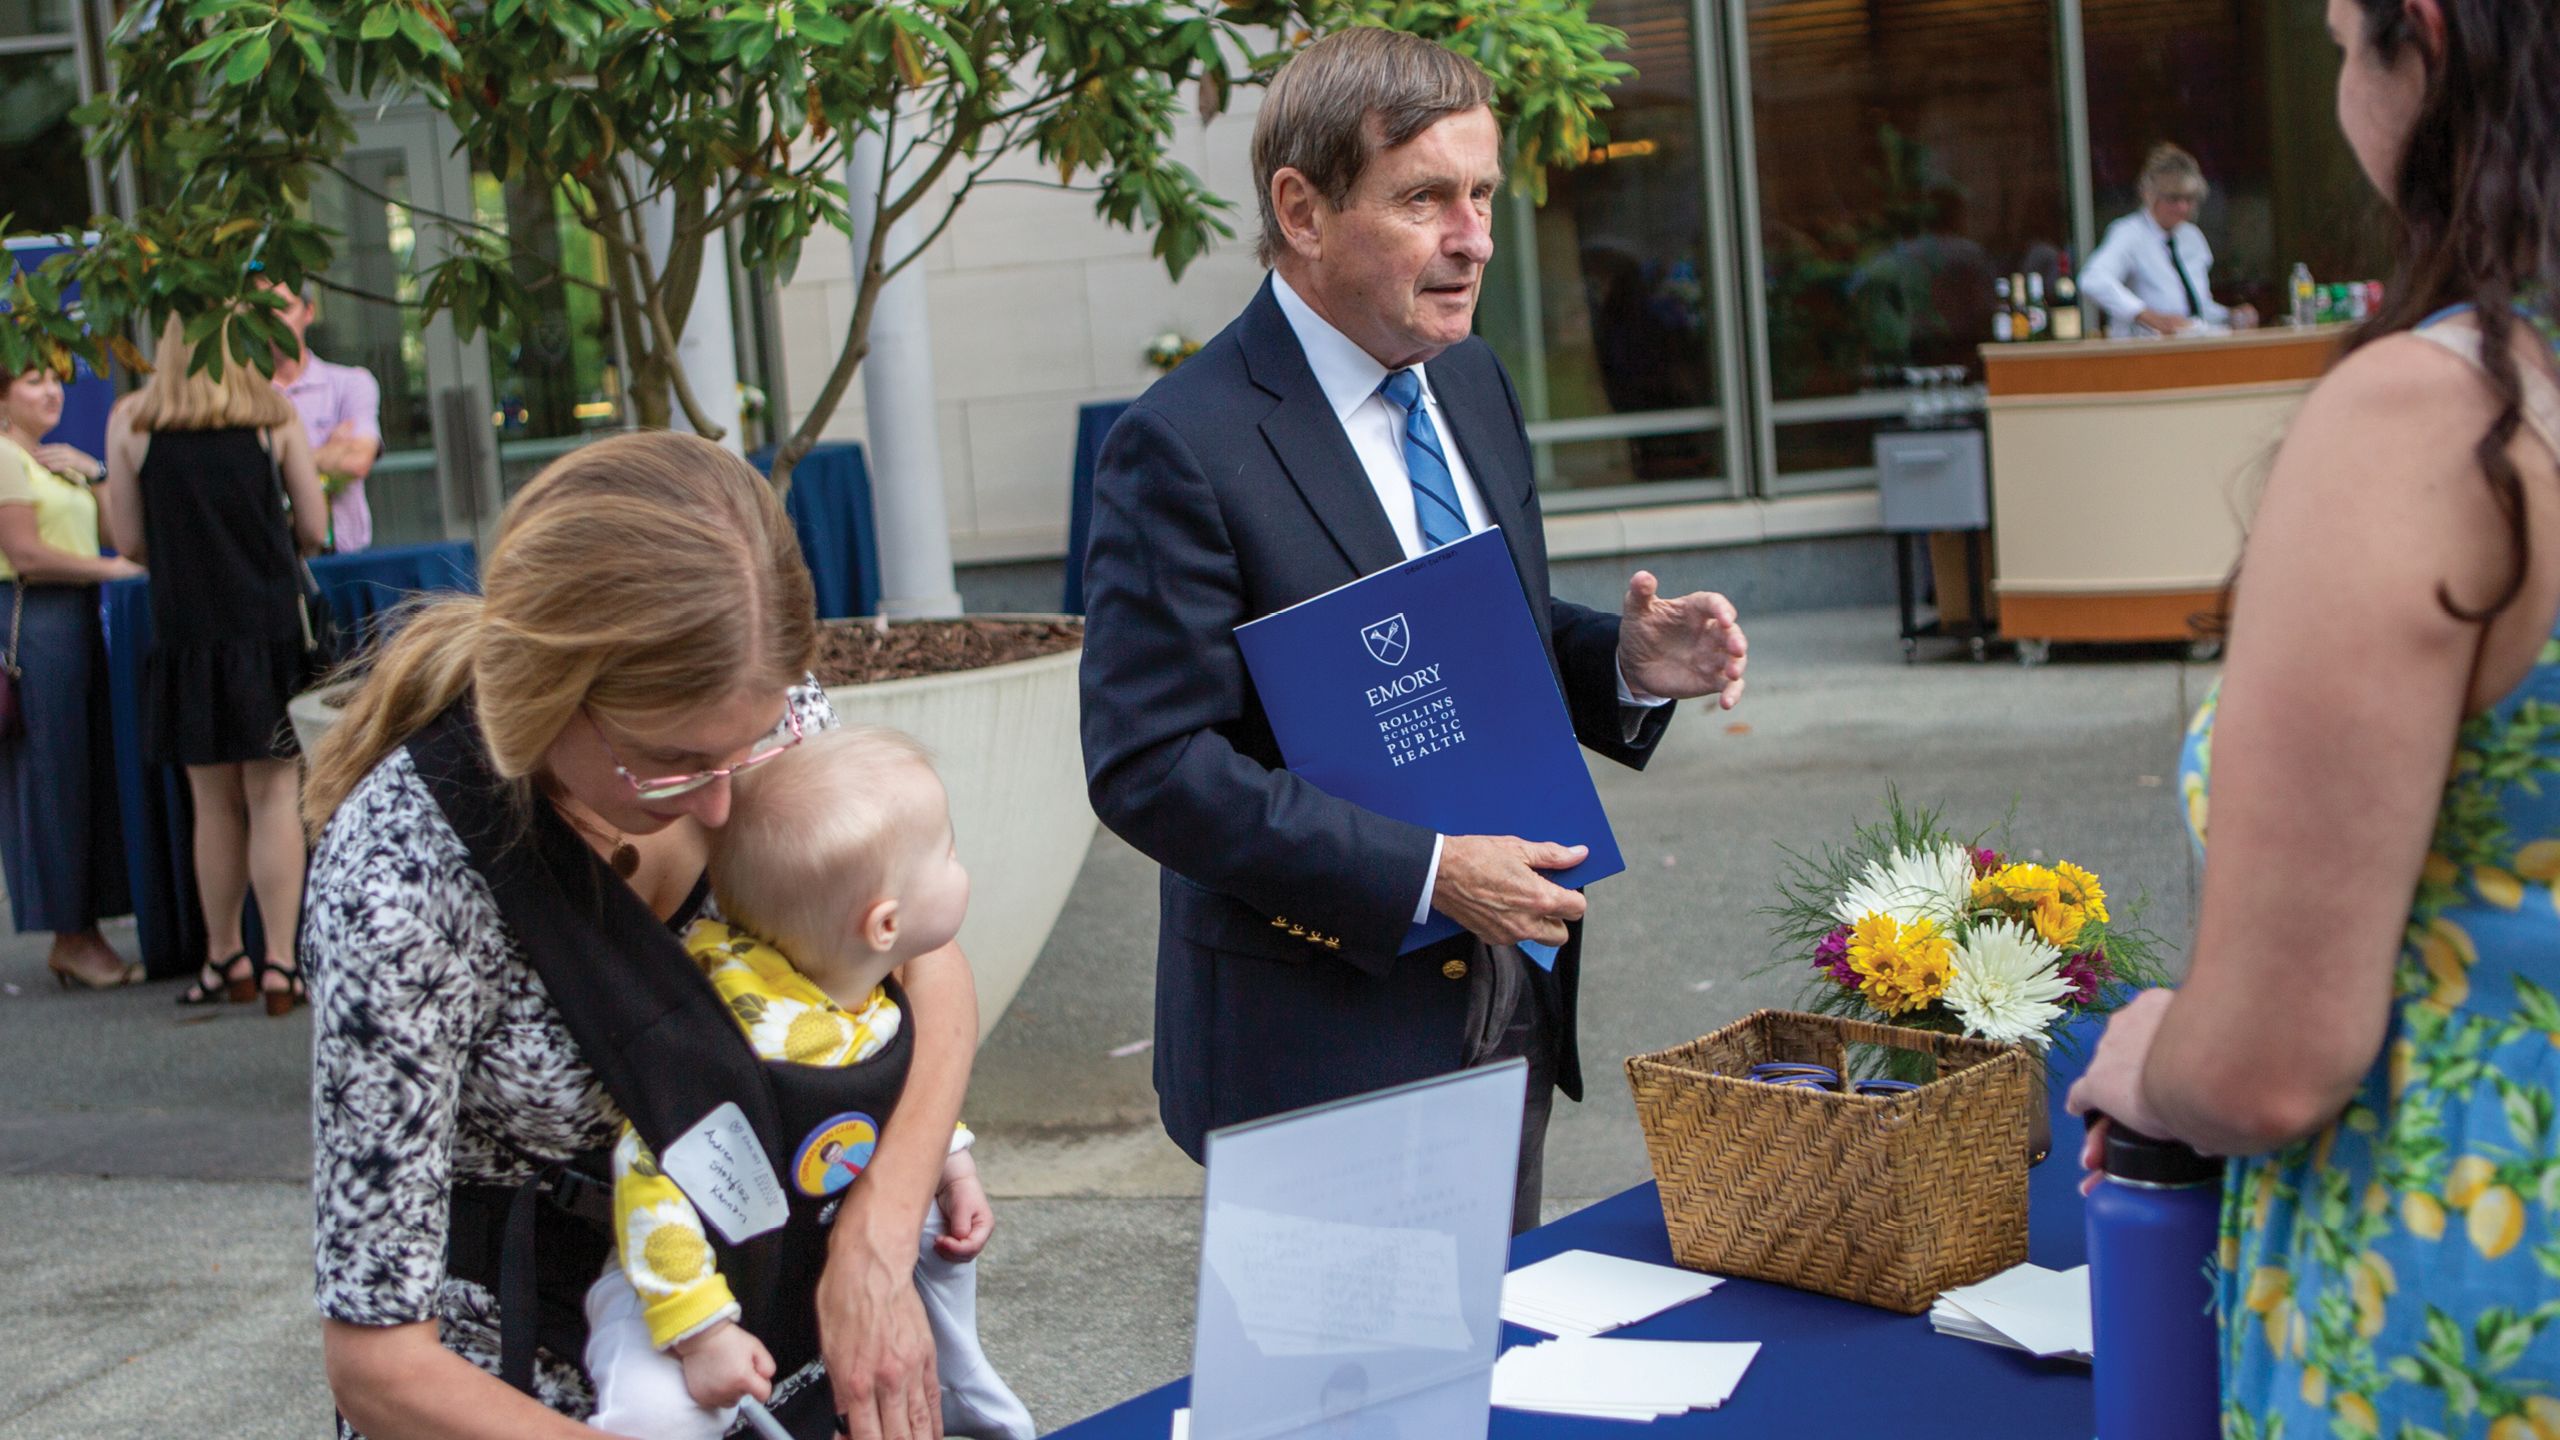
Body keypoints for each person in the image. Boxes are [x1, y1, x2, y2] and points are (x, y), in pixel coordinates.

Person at [1078, 27, 1749, 1235]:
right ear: (1301, 208)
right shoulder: (1182, 443)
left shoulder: (1473, 382)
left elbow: (1459, 632)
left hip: (1507, 1004)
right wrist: (1431, 874)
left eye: (1482, 193)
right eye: (1426, 197)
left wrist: (1621, 664)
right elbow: (1150, 765)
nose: (1475, 236)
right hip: (1317, 1045)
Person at [2065, 1, 2560, 1433]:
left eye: (2347, 38)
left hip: (2469, 1293)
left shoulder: (2448, 420)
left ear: (2428, 40)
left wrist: (2158, 1049)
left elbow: (2272, 1067)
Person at [301, 431, 976, 1440]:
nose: (719, 804)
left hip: (775, 1328)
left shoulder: (760, 715)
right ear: (546, 695)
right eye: (670, 764)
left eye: (742, 749)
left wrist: (878, 1237)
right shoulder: (400, 884)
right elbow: (380, 1365)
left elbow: (923, 962)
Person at [584, 725, 1031, 1440]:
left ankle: (957, 1392)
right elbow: (650, 1178)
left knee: (939, 1238)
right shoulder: (744, 1043)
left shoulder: (857, 990)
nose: (960, 864)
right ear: (884, 922)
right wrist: (699, 1332)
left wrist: (950, 1164)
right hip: (685, 1268)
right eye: (947, 854)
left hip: (799, 1237)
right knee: (656, 1412)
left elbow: (877, 1087)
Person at [104, 313, 327, 1012]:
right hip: (266, 626)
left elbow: (129, 541)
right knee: (273, 797)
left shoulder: (133, 424)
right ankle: (282, 967)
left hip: (187, 632)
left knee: (213, 804)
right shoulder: (271, 416)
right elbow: (315, 528)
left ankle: (223, 954)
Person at [0, 367, 138, 989]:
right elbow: (25, 552)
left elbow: (119, 538)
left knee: (86, 773)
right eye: (34, 381)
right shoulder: (4, 458)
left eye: (57, 380)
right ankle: (70, 934)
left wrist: (99, 476)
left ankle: (85, 929)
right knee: (53, 777)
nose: (53, 392)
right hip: (36, 621)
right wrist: (112, 573)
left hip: (76, 619)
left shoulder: (52, 459)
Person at [2080, 143, 2260, 339]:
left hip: (2191, 348)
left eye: (2189, 199)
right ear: (2150, 195)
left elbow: (2194, 308)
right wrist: (2146, 315)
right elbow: (2093, 280)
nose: (2183, 208)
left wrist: (2229, 316)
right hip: (2144, 351)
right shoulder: (2129, 233)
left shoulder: (2191, 237)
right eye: (2173, 199)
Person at [265, 279, 383, 553]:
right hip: (273, 563)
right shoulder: (243, 398)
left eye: (284, 308)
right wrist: (328, 451)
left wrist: (280, 462)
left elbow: (357, 461)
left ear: (309, 311)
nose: (275, 319)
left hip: (347, 558)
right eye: (264, 311)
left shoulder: (350, 383)